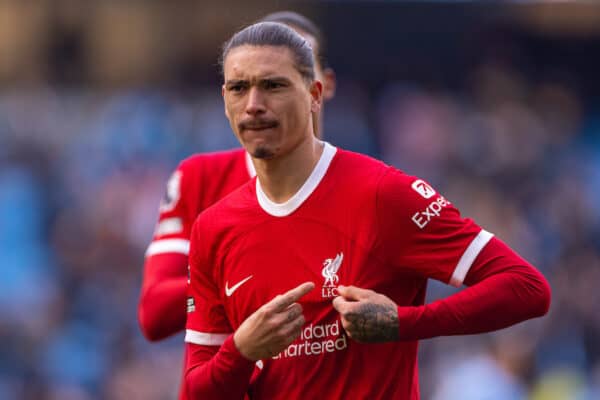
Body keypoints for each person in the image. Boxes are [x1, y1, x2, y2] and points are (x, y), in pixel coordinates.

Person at [184, 21, 551, 399]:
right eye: (239, 88)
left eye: (273, 86)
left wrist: (402, 323)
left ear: (314, 94)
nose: (254, 105)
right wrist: (241, 352)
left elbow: (525, 288)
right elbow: (196, 391)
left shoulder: (382, 193)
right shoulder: (212, 228)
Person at [137, 11, 336, 400]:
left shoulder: (365, 188)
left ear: (320, 86)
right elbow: (154, 311)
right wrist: (244, 275)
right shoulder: (201, 178)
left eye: (292, 69)